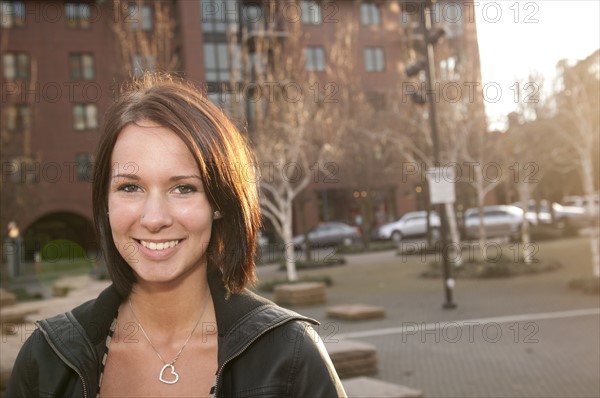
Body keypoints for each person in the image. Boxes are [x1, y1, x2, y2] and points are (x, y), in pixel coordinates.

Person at [6, 73, 347, 397]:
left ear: (219, 202)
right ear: (105, 202)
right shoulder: (45, 359)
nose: (154, 219)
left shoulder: (290, 356)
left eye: (183, 188)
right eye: (130, 187)